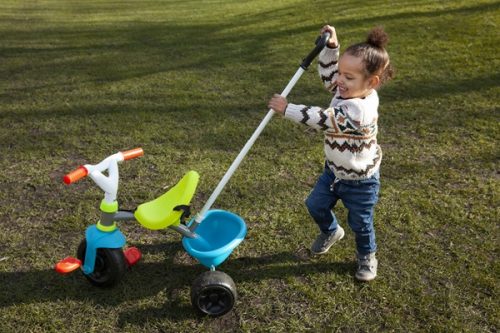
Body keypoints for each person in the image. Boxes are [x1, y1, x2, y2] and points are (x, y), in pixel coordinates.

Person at [268, 25, 394, 281]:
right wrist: (331, 48)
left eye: (348, 77)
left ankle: (367, 256)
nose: (339, 81)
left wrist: (287, 109)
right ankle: (331, 230)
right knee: (315, 205)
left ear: (372, 82)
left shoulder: (359, 112)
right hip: (334, 173)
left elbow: (323, 119)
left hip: (361, 181)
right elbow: (329, 78)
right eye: (341, 73)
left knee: (360, 223)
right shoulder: (349, 89)